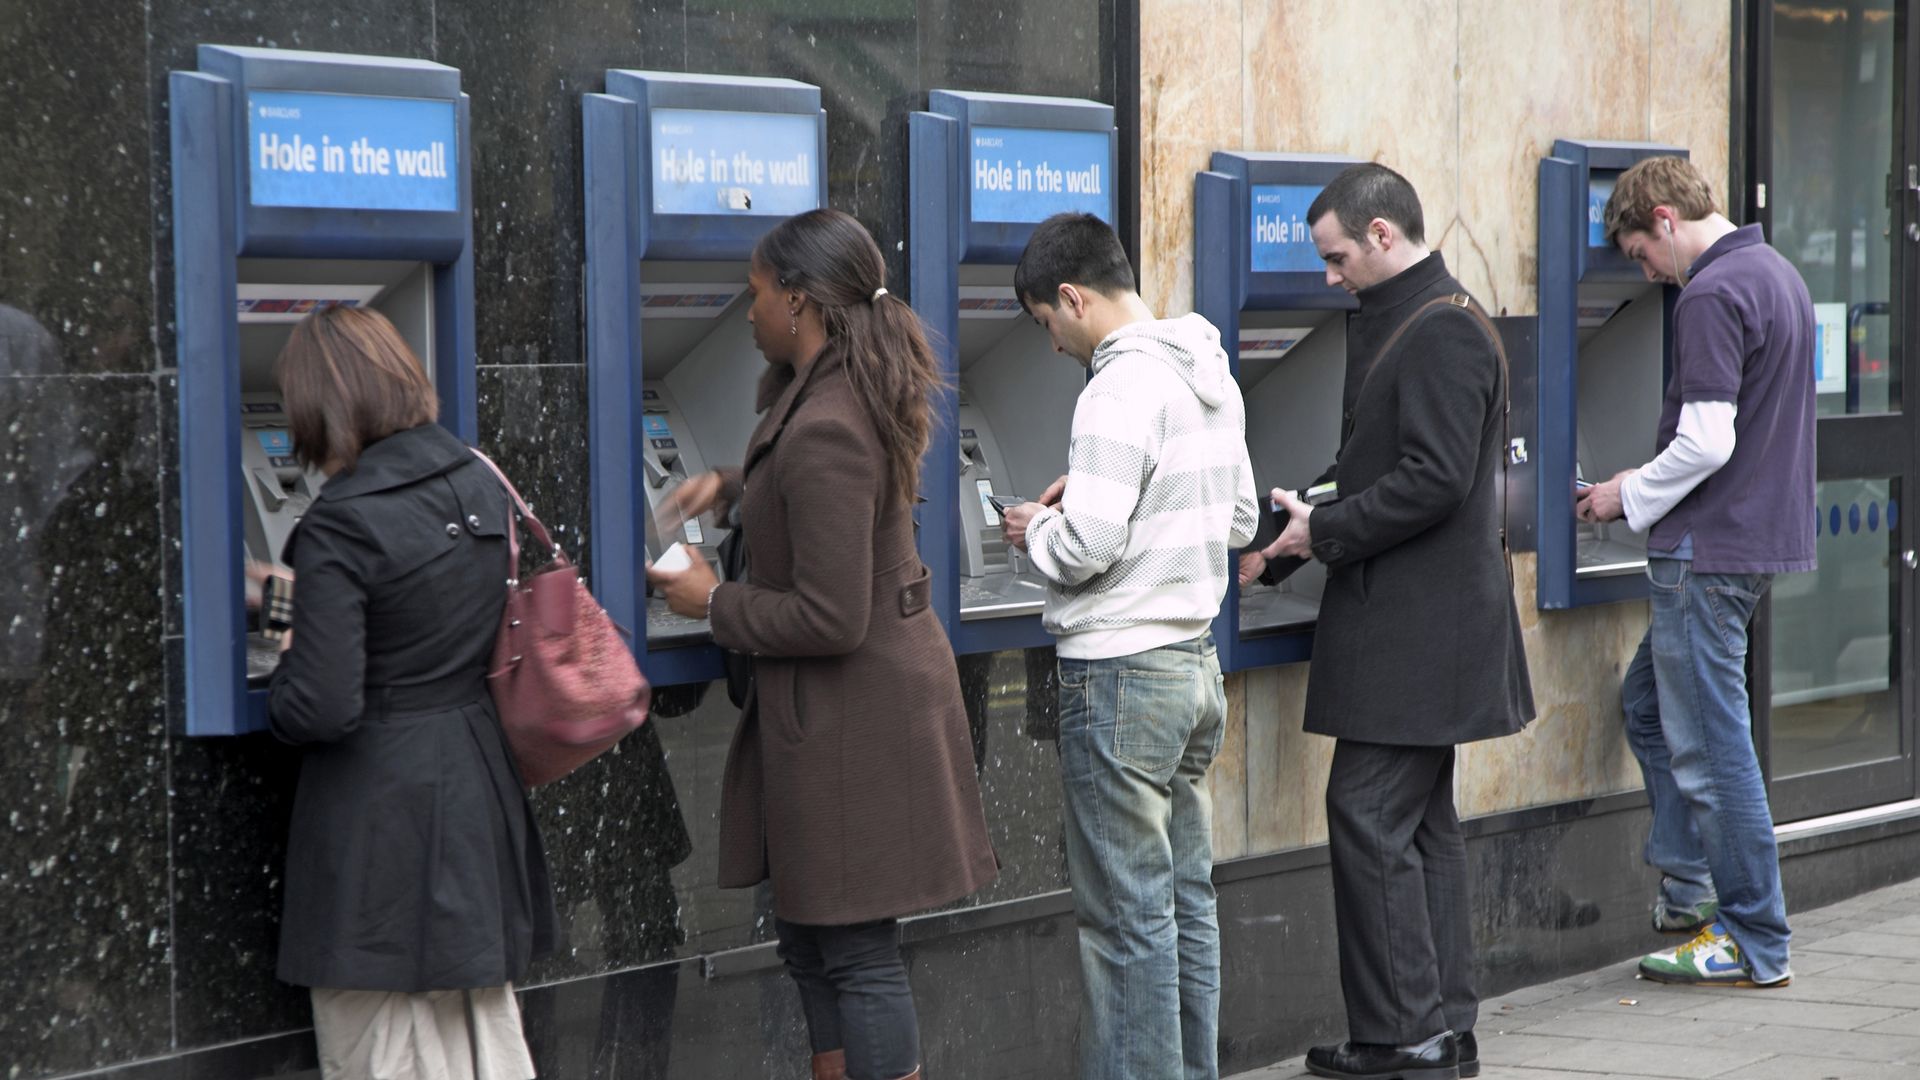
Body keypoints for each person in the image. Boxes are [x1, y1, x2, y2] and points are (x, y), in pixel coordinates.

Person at [647, 208, 997, 1080]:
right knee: (810, 943)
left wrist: (712, 601)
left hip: (857, 725)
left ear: (798, 302)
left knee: (855, 952)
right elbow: (815, 508)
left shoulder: (830, 423)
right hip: (836, 720)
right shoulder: (825, 392)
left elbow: (831, 614)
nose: (748, 309)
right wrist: (732, 487)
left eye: (757, 293)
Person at [1244, 163, 1533, 1080]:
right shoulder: (1412, 317)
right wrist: (1301, 521)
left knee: (1366, 814)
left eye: (1335, 259)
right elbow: (1382, 460)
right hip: (1420, 629)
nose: (1329, 278)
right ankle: (1441, 1025)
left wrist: (1325, 527)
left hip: (1423, 632)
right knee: (1418, 826)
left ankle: (1405, 1038)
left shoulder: (1441, 328)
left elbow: (1437, 478)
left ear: (1380, 235)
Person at [998, 211, 1257, 1080]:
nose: (1053, 345)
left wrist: (1039, 526)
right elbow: (1242, 520)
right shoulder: (1207, 371)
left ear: (1071, 297)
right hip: (1192, 669)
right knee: (1184, 904)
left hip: (1118, 680)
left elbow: (1086, 549)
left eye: (1046, 324)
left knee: (1124, 922)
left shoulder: (1114, 389)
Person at [266, 305, 556, 1080]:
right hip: (474, 788)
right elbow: (422, 614)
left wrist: (281, 674)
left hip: (380, 825)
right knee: (480, 1039)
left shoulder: (341, 521)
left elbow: (323, 703)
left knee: (382, 1048)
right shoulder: (477, 475)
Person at [1580, 155, 1813, 989]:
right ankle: (1691, 887)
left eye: (1643, 254)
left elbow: (1707, 440)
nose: (1647, 272)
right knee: (1648, 708)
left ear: (1667, 222)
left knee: (1713, 752)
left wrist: (1621, 495)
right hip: (1752, 544)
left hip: (1704, 554)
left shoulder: (1711, 292)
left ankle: (1753, 937)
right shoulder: (1777, 273)